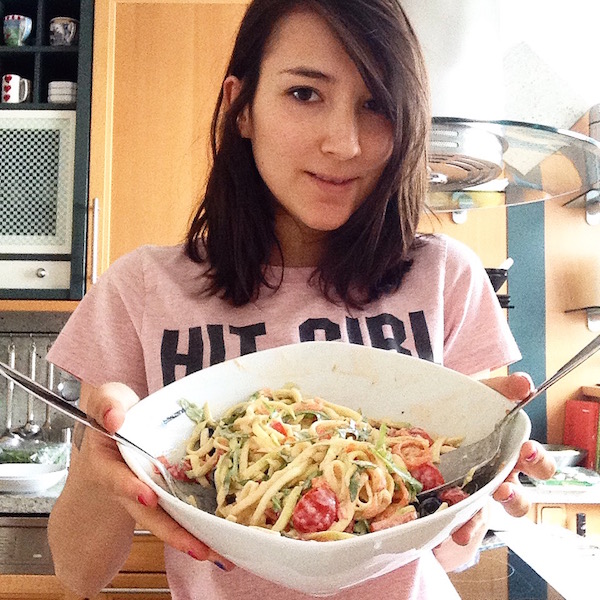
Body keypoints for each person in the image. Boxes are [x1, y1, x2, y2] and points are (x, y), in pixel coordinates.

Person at [46, 1, 555, 599]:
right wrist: (99, 452)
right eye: (305, 94)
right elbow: (78, 572)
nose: (343, 143)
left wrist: (483, 482)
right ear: (243, 107)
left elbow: (452, 553)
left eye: (376, 105)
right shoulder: (141, 289)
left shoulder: (448, 277)